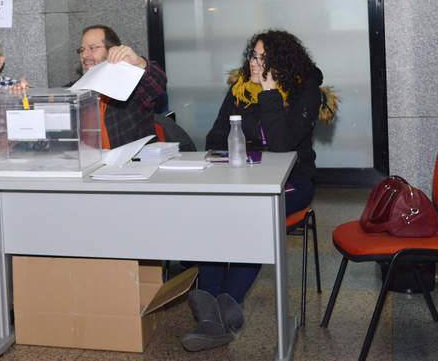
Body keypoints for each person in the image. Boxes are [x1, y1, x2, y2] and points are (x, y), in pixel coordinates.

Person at [182, 29, 323, 352]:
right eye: (253, 56)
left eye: (263, 58)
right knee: (214, 216)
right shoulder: (239, 89)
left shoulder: (305, 92)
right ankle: (216, 316)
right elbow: (216, 137)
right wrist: (239, 155)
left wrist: (269, 94)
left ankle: (221, 306)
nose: (255, 64)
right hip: (241, 176)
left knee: (254, 217)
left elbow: (283, 144)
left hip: (292, 181)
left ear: (281, 63)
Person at [77, 25, 166, 148]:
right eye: (82, 50)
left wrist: (139, 63)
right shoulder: (75, 92)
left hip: (134, 165)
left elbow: (158, 84)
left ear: (112, 51)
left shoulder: (131, 85)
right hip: (90, 163)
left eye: (92, 48)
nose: (85, 55)